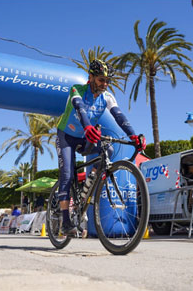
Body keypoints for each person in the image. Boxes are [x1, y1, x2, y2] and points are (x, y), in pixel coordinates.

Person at [55, 59, 146, 236]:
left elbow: (119, 116)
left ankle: (90, 183)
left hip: (84, 139)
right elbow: (79, 108)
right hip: (66, 137)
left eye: (107, 81)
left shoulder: (107, 97)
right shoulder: (77, 89)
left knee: (109, 150)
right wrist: (88, 126)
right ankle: (65, 221)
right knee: (67, 174)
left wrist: (133, 135)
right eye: (101, 80)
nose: (104, 84)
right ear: (90, 77)